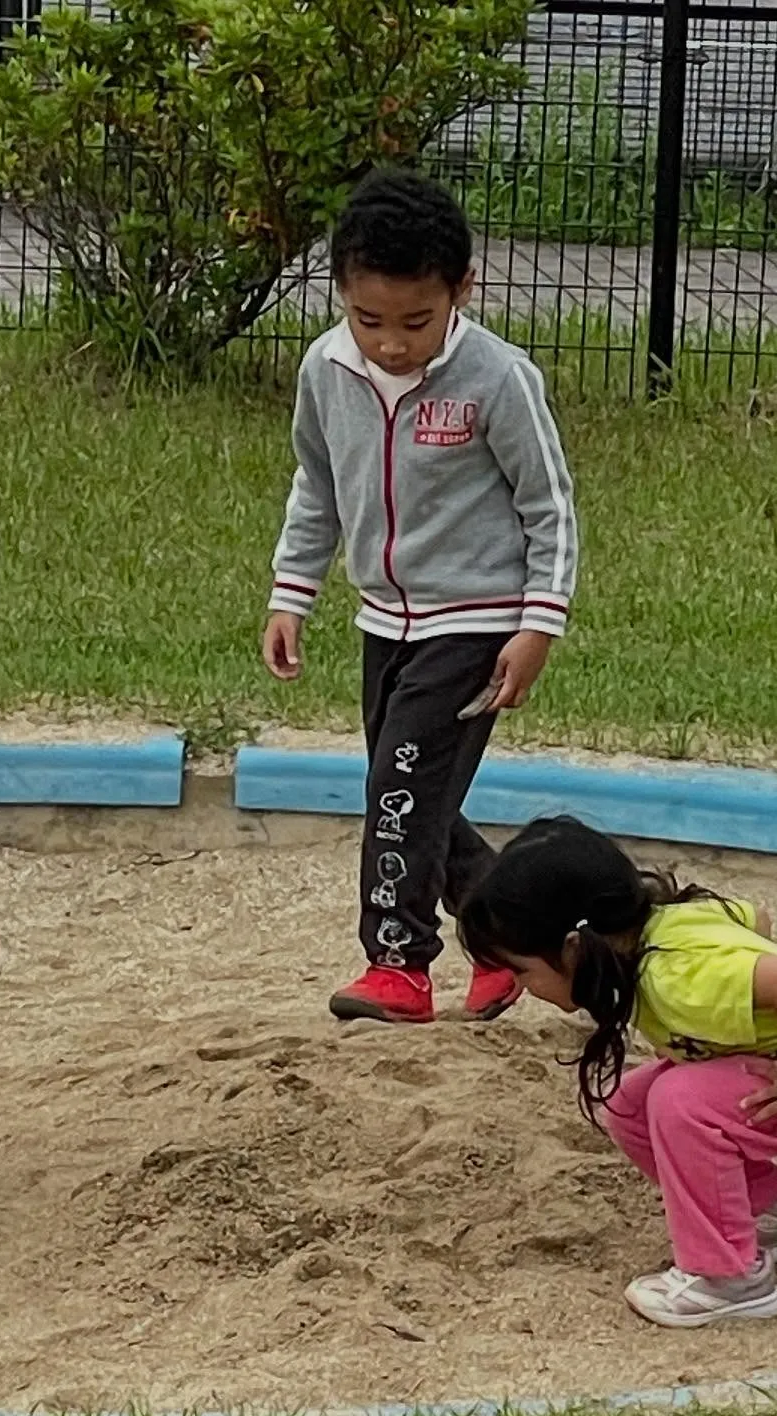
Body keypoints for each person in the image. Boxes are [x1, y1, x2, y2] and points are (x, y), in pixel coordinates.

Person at [263, 166, 578, 1025]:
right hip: (383, 619)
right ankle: (510, 941)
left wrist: (537, 625)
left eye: (415, 321)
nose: (392, 344)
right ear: (339, 295)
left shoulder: (499, 379)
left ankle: (397, 962)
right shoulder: (326, 371)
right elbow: (317, 484)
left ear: (460, 291)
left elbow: (548, 505)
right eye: (370, 320)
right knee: (415, 794)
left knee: (397, 791)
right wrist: (293, 591)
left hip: (475, 624)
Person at [457, 817, 777, 1327]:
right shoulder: (663, 925)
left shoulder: (674, 978)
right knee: (631, 1106)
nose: (519, 987)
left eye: (521, 970)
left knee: (681, 1102)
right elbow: (756, 919)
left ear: (574, 950)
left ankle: (731, 1279)